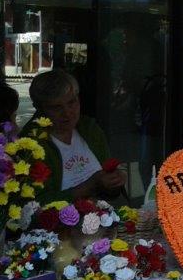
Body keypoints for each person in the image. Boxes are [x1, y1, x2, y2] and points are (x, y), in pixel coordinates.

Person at [25, 70, 123, 201]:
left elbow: (110, 189)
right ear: (40, 109)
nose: (67, 113)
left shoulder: (90, 129)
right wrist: (89, 186)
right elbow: (33, 204)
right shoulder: (30, 145)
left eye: (72, 102)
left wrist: (114, 182)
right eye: (56, 107)